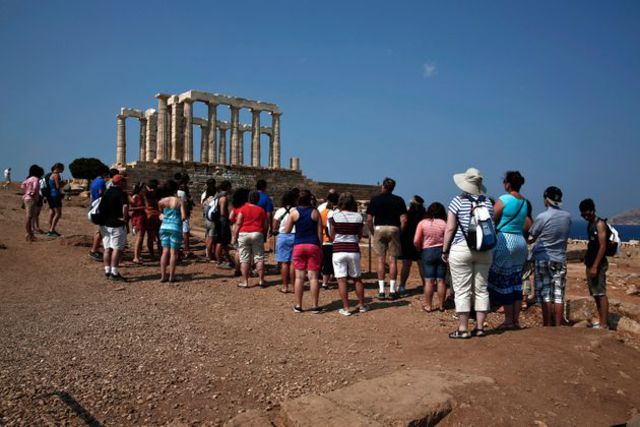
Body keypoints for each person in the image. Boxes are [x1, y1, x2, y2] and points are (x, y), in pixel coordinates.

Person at [442, 168, 494, 339]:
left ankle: (463, 329)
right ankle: (480, 328)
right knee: (481, 289)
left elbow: (450, 228)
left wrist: (445, 250)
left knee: (462, 290)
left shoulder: (457, 201)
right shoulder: (487, 202)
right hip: (484, 250)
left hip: (461, 248)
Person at [488, 171, 531, 330]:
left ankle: (508, 320)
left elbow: (491, 217)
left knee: (505, 282)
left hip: (505, 240)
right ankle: (515, 320)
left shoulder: (504, 199)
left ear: (508, 183)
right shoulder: (524, 202)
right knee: (516, 281)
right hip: (520, 241)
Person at [529, 186, 571, 326]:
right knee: (558, 295)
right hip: (560, 258)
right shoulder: (567, 217)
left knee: (546, 293)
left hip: (543, 258)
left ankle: (547, 325)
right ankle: (558, 326)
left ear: (546, 200)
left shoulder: (542, 216)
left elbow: (532, 235)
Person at [366, 177, 407, 300]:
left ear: (383, 186)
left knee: (380, 260)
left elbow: (369, 219)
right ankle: (393, 290)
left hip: (379, 228)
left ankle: (382, 290)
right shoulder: (399, 200)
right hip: (394, 228)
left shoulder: (375, 199)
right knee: (393, 260)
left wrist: (373, 232)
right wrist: (400, 232)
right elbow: (404, 220)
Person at [284, 189, 323, 313]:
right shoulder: (315, 212)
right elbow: (320, 233)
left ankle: (298, 305)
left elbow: (287, 230)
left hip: (299, 245)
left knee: (299, 277)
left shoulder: (294, 213)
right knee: (313, 277)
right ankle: (315, 305)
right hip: (313, 245)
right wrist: (320, 247)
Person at [330, 192, 366, 316]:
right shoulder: (359, 217)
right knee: (357, 278)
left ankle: (346, 308)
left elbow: (332, 235)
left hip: (338, 250)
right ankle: (361, 305)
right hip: (353, 250)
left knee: (341, 280)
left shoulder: (335, 216)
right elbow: (360, 235)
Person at [579, 198, 610, 329]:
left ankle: (604, 324)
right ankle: (601, 320)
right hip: (590, 262)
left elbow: (602, 246)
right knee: (595, 293)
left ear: (593, 211)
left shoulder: (600, 224)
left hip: (598, 264)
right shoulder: (590, 224)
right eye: (583, 215)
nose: (586, 217)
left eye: (588, 214)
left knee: (601, 293)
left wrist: (596, 266)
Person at [414, 202, 447, 312]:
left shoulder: (423, 223)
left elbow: (416, 240)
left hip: (427, 251)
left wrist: (419, 249)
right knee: (441, 280)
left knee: (429, 281)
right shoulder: (444, 223)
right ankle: (441, 305)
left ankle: (428, 305)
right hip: (442, 251)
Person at [233, 190, 268, 288]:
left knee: (244, 259)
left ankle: (245, 282)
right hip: (257, 233)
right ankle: (261, 280)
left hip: (244, 233)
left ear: (248, 198)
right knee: (259, 257)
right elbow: (265, 225)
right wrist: (263, 234)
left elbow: (238, 223)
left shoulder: (243, 209)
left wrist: (234, 236)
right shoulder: (261, 210)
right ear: (258, 199)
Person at [100, 174, 129, 281]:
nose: (126, 184)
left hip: (105, 224)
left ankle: (107, 271)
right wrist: (125, 218)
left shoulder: (107, 192)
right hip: (117, 224)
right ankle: (114, 273)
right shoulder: (121, 193)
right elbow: (125, 206)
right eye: (124, 182)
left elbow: (101, 207)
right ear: (120, 182)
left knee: (107, 248)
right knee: (117, 249)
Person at [158, 180, 186, 283]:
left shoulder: (161, 201)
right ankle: (171, 276)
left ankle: (163, 276)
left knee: (165, 252)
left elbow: (161, 214)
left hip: (164, 227)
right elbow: (183, 217)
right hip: (175, 227)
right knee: (174, 253)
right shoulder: (179, 201)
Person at [399, 195, 426, 296]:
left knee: (406, 265)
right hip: (420, 241)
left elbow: (404, 224)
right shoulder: (424, 214)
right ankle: (425, 286)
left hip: (408, 240)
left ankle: (402, 286)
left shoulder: (408, 213)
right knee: (421, 265)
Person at [273, 190, 298, 293]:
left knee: (284, 263)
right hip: (296, 236)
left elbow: (275, 225)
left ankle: (284, 286)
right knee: (293, 263)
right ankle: (293, 286)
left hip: (283, 236)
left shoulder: (279, 211)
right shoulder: (297, 210)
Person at [320, 192, 339, 289]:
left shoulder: (322, 211)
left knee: (326, 262)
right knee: (330, 262)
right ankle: (326, 282)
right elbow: (330, 227)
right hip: (330, 239)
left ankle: (325, 281)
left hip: (323, 239)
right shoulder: (332, 213)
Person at [89, 170, 109, 260]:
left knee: (99, 230)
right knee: (100, 230)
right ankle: (94, 250)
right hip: (100, 206)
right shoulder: (101, 182)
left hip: (94, 205)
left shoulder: (94, 181)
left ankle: (95, 249)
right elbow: (101, 192)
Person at [21, 165, 43, 241]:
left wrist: (26, 193)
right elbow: (35, 188)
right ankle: (29, 234)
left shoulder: (28, 179)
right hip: (31, 199)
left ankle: (29, 234)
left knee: (29, 217)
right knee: (29, 217)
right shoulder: (36, 179)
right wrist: (33, 193)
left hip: (26, 198)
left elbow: (22, 186)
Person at [215, 181, 234, 269]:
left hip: (219, 221)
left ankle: (226, 259)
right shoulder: (223, 198)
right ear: (227, 187)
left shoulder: (218, 196)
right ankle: (219, 261)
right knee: (221, 241)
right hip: (222, 221)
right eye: (230, 187)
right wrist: (228, 219)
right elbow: (222, 211)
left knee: (224, 241)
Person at [176, 173, 195, 258]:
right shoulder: (183, 190)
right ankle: (186, 249)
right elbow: (186, 202)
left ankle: (178, 249)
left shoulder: (175, 190)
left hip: (175, 213)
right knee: (185, 231)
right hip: (184, 212)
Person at [130, 182, 147, 264]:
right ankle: (136, 257)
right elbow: (130, 208)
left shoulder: (141, 196)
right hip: (138, 218)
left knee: (141, 237)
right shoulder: (136, 196)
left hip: (142, 217)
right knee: (139, 238)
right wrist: (142, 207)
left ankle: (138, 255)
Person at [144, 179, 162, 259]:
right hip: (157, 215)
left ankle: (152, 254)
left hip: (149, 215)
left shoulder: (146, 194)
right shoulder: (158, 194)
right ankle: (160, 253)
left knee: (150, 236)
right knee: (159, 236)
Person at [201, 178, 218, 262]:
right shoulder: (214, 198)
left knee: (207, 237)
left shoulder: (204, 197)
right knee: (212, 239)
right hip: (212, 220)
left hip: (206, 219)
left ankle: (208, 253)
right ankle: (209, 256)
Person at [46, 163, 65, 237]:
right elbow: (57, 186)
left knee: (52, 212)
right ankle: (51, 230)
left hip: (51, 195)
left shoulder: (51, 174)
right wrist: (63, 184)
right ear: (58, 168)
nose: (63, 170)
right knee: (58, 213)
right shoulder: (56, 175)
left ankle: (50, 229)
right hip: (56, 195)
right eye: (62, 168)